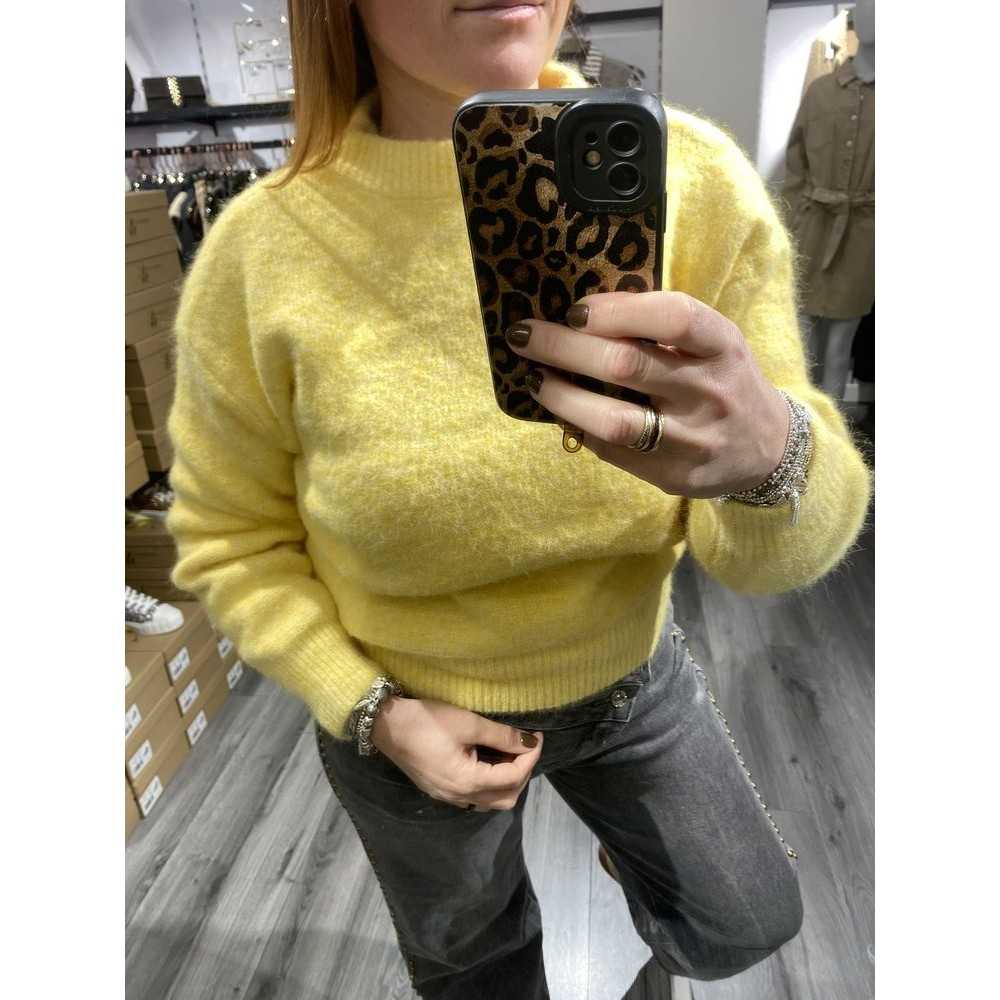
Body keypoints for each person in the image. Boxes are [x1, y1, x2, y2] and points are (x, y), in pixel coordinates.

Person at [165, 1, 872, 998]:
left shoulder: (696, 184)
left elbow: (771, 556)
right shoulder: (262, 251)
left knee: (745, 918)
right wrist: (367, 709)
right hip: (407, 709)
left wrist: (774, 454)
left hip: (629, 678)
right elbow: (232, 539)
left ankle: (629, 858)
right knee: (476, 972)